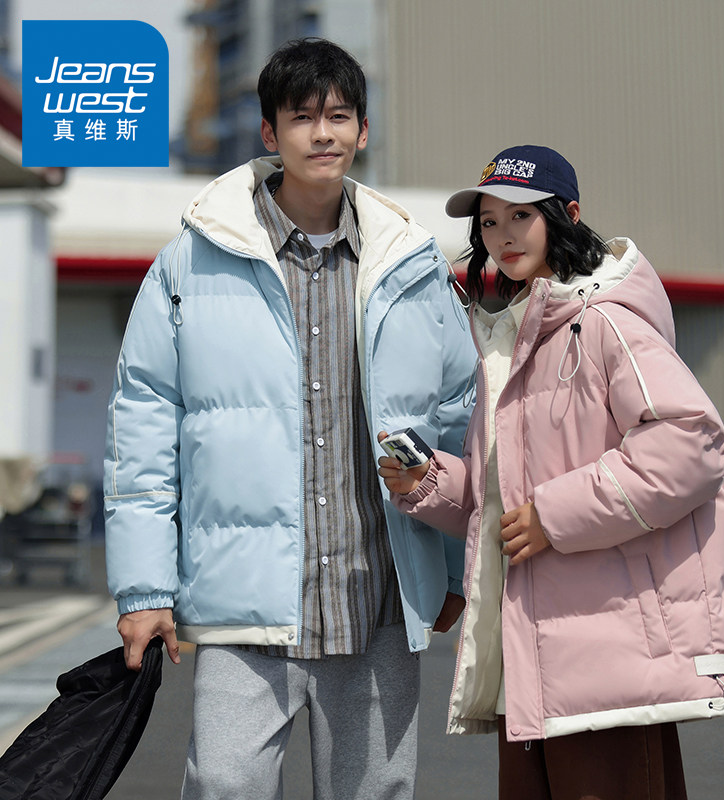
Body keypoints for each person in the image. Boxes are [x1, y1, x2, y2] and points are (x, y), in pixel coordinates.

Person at [103, 38, 476, 800]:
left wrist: (452, 570)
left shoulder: (411, 265)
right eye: (303, 118)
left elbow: (457, 418)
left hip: (376, 601)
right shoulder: (190, 262)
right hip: (244, 609)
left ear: (363, 129)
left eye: (339, 116)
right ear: (270, 133)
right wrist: (143, 590)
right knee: (226, 786)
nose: (323, 133)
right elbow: (142, 426)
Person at [378, 144, 724, 799]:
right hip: (537, 668)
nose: (502, 236)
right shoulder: (511, 341)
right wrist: (427, 482)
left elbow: (691, 443)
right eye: (489, 222)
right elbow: (505, 504)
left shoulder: (606, 322)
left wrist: (554, 517)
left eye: (520, 216)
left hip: (612, 667)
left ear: (568, 215)